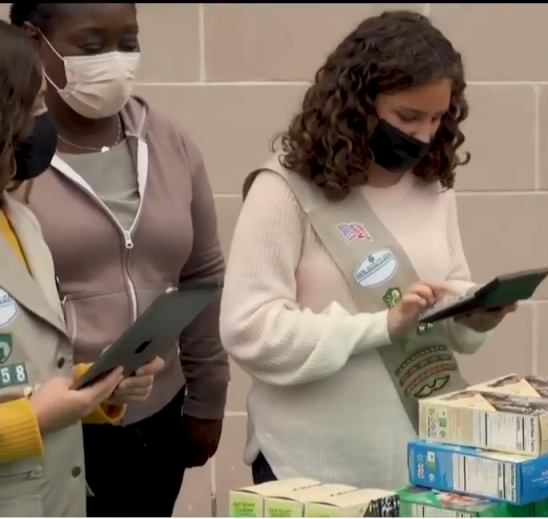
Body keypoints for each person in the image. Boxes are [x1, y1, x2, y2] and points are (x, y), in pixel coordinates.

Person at [220, 10, 515, 490]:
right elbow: (248, 330)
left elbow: (447, 288)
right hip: (308, 471)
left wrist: (471, 314)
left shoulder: (433, 186)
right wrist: (379, 326)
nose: (424, 136)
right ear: (358, 104)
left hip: (417, 466)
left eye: (437, 119)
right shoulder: (284, 191)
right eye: (408, 117)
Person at [8, 3, 230, 517]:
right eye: (91, 46)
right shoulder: (19, 157)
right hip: (46, 417)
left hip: (153, 414)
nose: (114, 60)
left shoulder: (167, 140)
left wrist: (207, 397)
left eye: (128, 42)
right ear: (35, 40)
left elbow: (202, 275)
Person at [0, 21, 160, 517]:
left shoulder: (19, 219)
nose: (43, 126)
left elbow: (29, 373)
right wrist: (33, 418)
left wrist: (93, 386)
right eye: (34, 108)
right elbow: (30, 408)